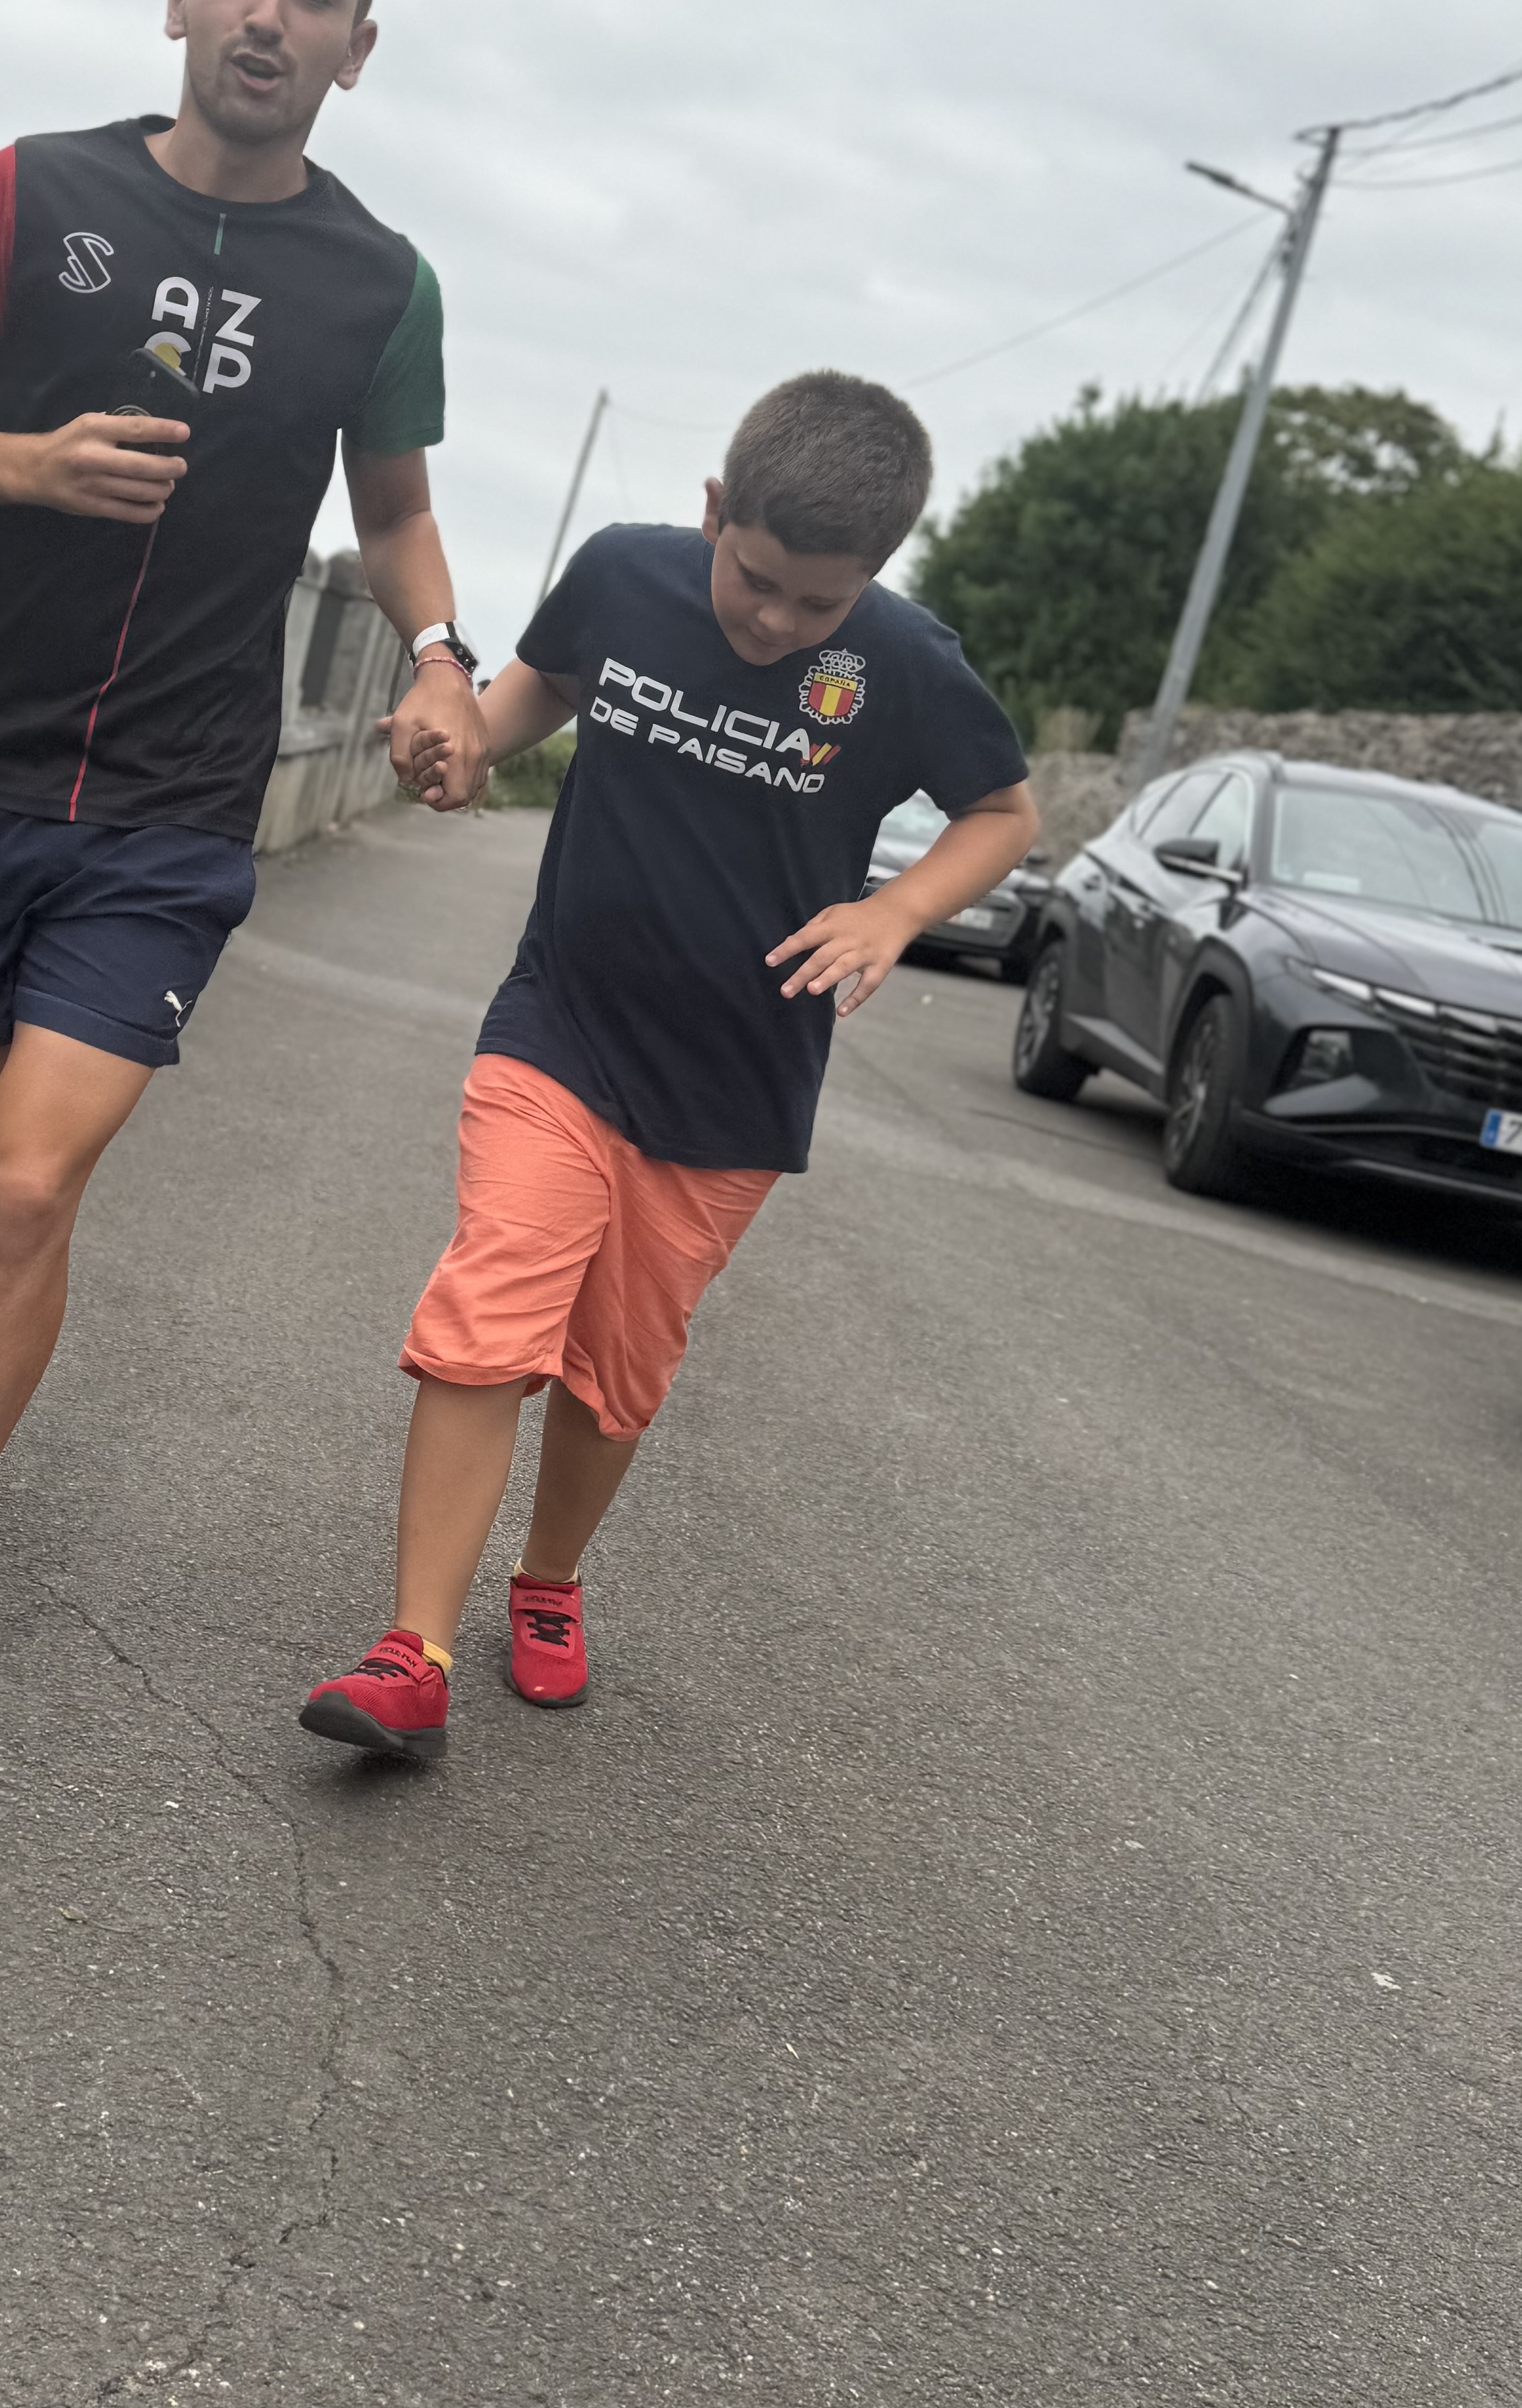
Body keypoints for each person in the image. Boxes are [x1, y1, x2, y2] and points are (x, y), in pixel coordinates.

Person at [0, 0, 491, 1738]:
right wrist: (27, 470)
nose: (268, 13)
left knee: (29, 1189)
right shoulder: (34, 188)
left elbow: (396, 514)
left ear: (358, 47)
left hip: (175, 808)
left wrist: (441, 656)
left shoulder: (381, 284)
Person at [298, 372, 1041, 1757]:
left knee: (614, 1373)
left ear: (871, 579)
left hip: (734, 1088)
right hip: (560, 1030)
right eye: (757, 580)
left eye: (818, 604)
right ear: (715, 510)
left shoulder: (906, 663)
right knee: (489, 1306)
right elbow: (542, 692)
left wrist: (896, 909)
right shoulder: (625, 576)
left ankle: (551, 1582)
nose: (776, 621)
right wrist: (464, 745)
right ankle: (413, 1651)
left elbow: (1002, 811)